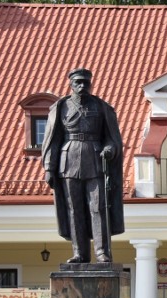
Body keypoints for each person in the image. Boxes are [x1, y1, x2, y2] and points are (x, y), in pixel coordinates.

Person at [41, 67, 124, 263]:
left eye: (86, 82)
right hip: (68, 160)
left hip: (95, 159)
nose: (82, 86)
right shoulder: (61, 107)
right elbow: (53, 140)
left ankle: (102, 252)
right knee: (74, 209)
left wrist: (110, 149)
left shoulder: (102, 107)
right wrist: (49, 167)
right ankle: (80, 253)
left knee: (98, 207)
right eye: (78, 82)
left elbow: (112, 138)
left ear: (91, 84)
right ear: (70, 84)